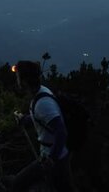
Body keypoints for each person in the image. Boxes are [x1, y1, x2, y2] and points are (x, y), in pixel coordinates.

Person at [10, 60, 73, 192]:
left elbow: (61, 132)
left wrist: (52, 160)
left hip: (55, 161)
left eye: (18, 76)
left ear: (25, 81)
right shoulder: (41, 93)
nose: (17, 80)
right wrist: (25, 119)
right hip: (54, 158)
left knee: (17, 184)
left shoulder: (43, 104)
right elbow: (41, 118)